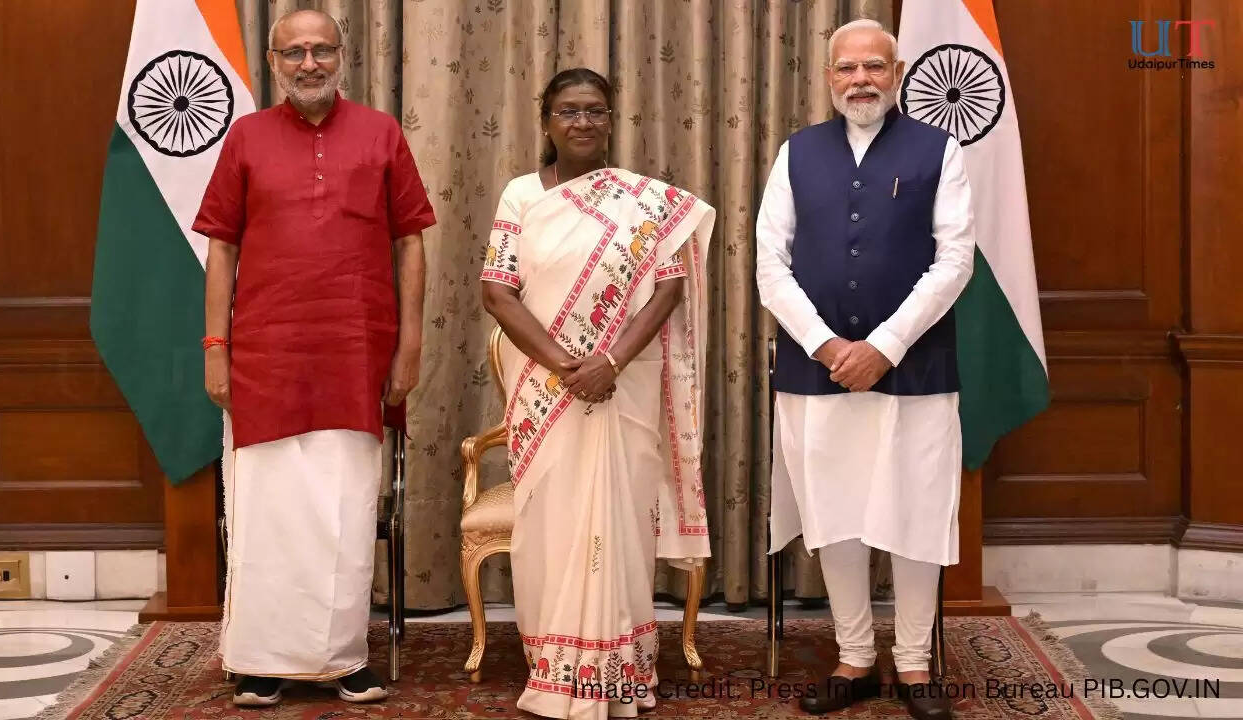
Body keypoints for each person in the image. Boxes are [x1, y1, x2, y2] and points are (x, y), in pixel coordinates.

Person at [193, 9, 436, 707]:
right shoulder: (246, 138)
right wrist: (215, 346)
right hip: (265, 355)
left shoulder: (381, 132)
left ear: (342, 55)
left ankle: (341, 657)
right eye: (294, 52)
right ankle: (262, 662)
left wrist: (409, 345)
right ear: (273, 62)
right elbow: (222, 248)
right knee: (267, 511)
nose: (309, 63)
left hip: (358, 354)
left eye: (321, 50)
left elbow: (411, 241)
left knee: (345, 509)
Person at [755, 18, 975, 720]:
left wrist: (885, 344)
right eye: (846, 69)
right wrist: (826, 346)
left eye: (874, 67)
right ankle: (855, 657)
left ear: (898, 71)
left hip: (914, 370)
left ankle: (913, 665)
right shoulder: (795, 154)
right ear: (827, 78)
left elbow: (955, 260)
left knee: (915, 512)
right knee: (834, 512)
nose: (860, 80)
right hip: (815, 372)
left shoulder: (941, 150)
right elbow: (769, 265)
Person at [481, 68, 715, 719]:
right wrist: (567, 366)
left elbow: (668, 289)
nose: (582, 122)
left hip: (624, 388)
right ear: (547, 120)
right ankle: (556, 668)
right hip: (546, 392)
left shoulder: (647, 203)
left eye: (595, 111)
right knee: (551, 527)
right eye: (568, 111)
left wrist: (609, 361)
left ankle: (619, 669)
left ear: (612, 119)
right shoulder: (521, 196)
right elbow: (497, 291)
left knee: (620, 526)